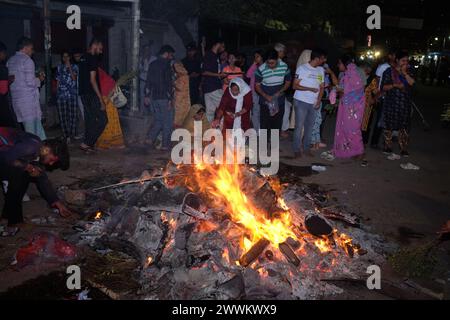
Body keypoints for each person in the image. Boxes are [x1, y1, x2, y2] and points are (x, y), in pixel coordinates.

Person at [0, 127, 72, 236]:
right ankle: (14, 222)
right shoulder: (31, 146)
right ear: (47, 150)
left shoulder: (37, 152)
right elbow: (6, 158)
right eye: (52, 160)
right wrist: (27, 166)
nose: (51, 164)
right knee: (18, 180)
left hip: (6, 157)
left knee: (23, 178)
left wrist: (57, 203)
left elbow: (43, 179)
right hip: (3, 157)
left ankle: (8, 217)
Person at [7, 37, 46, 140]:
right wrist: (39, 79)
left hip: (17, 101)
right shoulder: (27, 61)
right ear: (26, 47)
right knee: (31, 132)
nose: (32, 51)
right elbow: (30, 82)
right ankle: (34, 153)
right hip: (28, 102)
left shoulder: (10, 60)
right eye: (31, 48)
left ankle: (43, 148)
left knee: (35, 128)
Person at [292, 48, 326, 158]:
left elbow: (321, 87)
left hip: (314, 103)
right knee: (299, 126)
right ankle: (297, 149)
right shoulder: (302, 69)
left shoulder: (321, 70)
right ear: (316, 58)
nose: (324, 61)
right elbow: (294, 85)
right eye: (322, 59)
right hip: (301, 101)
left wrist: (319, 101)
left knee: (310, 127)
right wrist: (309, 89)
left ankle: (306, 148)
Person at [381, 51, 415, 156]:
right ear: (397, 60)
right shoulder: (389, 71)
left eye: (407, 61)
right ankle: (388, 147)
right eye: (403, 60)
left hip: (405, 104)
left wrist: (404, 73)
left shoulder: (409, 71)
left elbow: (412, 83)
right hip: (391, 103)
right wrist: (395, 85)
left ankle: (403, 148)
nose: (405, 63)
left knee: (404, 126)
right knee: (389, 125)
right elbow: (383, 87)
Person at [333, 54, 366, 161]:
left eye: (339, 63)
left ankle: (359, 151)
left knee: (353, 129)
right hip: (347, 106)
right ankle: (349, 150)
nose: (338, 65)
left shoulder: (354, 73)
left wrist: (339, 91)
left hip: (354, 108)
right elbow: (344, 88)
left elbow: (358, 90)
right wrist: (337, 90)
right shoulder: (346, 74)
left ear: (344, 63)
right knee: (345, 128)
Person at [78, 38, 107, 153]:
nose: (100, 52)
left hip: (83, 94)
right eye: (100, 49)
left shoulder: (83, 57)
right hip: (91, 94)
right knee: (103, 120)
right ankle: (87, 143)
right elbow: (92, 80)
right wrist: (101, 99)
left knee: (90, 120)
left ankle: (88, 145)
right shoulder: (92, 58)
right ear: (95, 45)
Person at [255, 50, 292, 143]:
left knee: (277, 124)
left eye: (272, 63)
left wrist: (279, 92)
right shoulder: (261, 69)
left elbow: (288, 82)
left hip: (279, 100)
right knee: (264, 124)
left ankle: (274, 147)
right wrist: (265, 95)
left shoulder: (284, 66)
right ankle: (264, 147)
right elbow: (257, 85)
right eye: (268, 63)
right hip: (265, 101)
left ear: (277, 59)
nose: (270, 65)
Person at [144, 45, 176, 151]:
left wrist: (147, 95)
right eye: (171, 55)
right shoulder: (166, 65)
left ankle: (149, 139)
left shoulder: (153, 64)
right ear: (166, 53)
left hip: (154, 97)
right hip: (164, 97)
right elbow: (167, 83)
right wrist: (170, 99)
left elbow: (148, 80)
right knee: (168, 121)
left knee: (158, 119)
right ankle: (165, 145)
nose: (171, 57)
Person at [95, 68, 125, 149]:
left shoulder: (104, 78)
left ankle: (108, 142)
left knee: (108, 121)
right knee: (110, 121)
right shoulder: (101, 77)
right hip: (106, 101)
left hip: (107, 101)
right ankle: (112, 143)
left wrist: (107, 99)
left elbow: (112, 87)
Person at [371, 49, 396, 149]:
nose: (395, 57)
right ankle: (374, 142)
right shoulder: (383, 67)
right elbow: (377, 81)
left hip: (393, 97)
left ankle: (386, 143)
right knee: (380, 120)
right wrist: (377, 95)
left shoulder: (397, 68)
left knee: (390, 121)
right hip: (383, 96)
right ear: (390, 56)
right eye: (394, 55)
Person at [55, 51, 79, 143]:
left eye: (67, 56)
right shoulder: (59, 67)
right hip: (61, 95)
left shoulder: (74, 67)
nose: (65, 58)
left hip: (72, 94)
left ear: (70, 57)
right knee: (62, 116)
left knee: (73, 115)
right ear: (62, 58)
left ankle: (72, 134)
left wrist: (70, 68)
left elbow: (74, 78)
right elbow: (57, 81)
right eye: (64, 57)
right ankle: (66, 135)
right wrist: (57, 92)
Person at [202, 39, 226, 123]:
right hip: (213, 87)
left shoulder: (214, 56)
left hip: (208, 88)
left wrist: (221, 76)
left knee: (210, 112)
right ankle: (224, 132)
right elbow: (205, 72)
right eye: (223, 46)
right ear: (218, 44)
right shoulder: (209, 55)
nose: (223, 48)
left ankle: (209, 133)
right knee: (224, 108)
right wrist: (219, 75)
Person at [360, 62, 379, 145]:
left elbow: (376, 92)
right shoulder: (358, 78)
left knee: (365, 124)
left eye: (363, 69)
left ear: (368, 70)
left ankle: (363, 142)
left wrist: (374, 100)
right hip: (356, 105)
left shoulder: (373, 80)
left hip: (367, 106)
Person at [0, 41, 17, 128]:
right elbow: (3, 91)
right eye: (4, 53)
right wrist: (9, 80)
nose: (5, 55)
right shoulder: (2, 69)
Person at [246, 50, 264, 131]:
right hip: (253, 91)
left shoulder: (265, 67)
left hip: (262, 92)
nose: (256, 58)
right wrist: (253, 64)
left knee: (261, 111)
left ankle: (261, 129)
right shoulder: (254, 67)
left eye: (257, 56)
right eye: (255, 57)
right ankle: (257, 130)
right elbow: (248, 75)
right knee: (255, 111)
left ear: (262, 57)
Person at [173, 61, 191, 128]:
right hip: (182, 98)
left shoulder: (183, 77)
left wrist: (173, 84)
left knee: (179, 116)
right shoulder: (183, 76)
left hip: (181, 99)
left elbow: (179, 88)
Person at [139, 43, 157, 110]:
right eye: (145, 50)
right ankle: (142, 112)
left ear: (150, 50)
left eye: (148, 49)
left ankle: (152, 113)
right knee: (142, 97)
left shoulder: (154, 59)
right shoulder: (141, 59)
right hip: (143, 81)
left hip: (152, 82)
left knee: (151, 97)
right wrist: (143, 62)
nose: (146, 51)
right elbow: (138, 70)